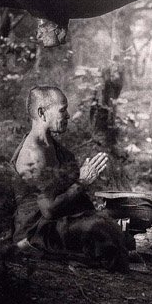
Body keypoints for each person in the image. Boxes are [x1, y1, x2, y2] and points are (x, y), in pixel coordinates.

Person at [10, 86, 129, 272]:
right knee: (102, 230)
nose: (68, 116)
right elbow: (48, 210)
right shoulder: (34, 154)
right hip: (37, 231)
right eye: (62, 110)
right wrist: (82, 182)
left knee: (111, 225)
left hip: (56, 220)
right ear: (42, 113)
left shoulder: (49, 143)